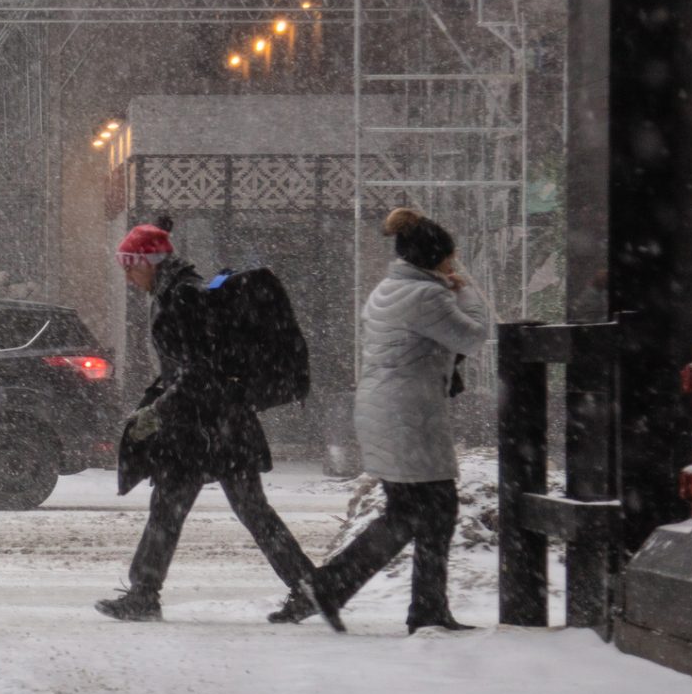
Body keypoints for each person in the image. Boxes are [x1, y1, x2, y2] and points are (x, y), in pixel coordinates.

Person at [98, 222, 334, 627]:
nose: (128, 276)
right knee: (227, 509)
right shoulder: (176, 292)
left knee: (188, 509)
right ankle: (307, 585)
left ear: (149, 263)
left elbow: (199, 370)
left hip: (205, 428)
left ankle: (145, 594)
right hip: (215, 424)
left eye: (130, 266)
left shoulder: (182, 298)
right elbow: (191, 368)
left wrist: (159, 409)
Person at [272, 208, 491, 633]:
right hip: (409, 415)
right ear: (437, 258)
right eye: (449, 256)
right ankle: (391, 601)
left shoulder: (390, 289)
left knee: (410, 512)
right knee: (432, 510)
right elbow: (475, 335)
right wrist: (463, 284)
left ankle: (343, 590)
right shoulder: (427, 297)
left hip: (389, 411)